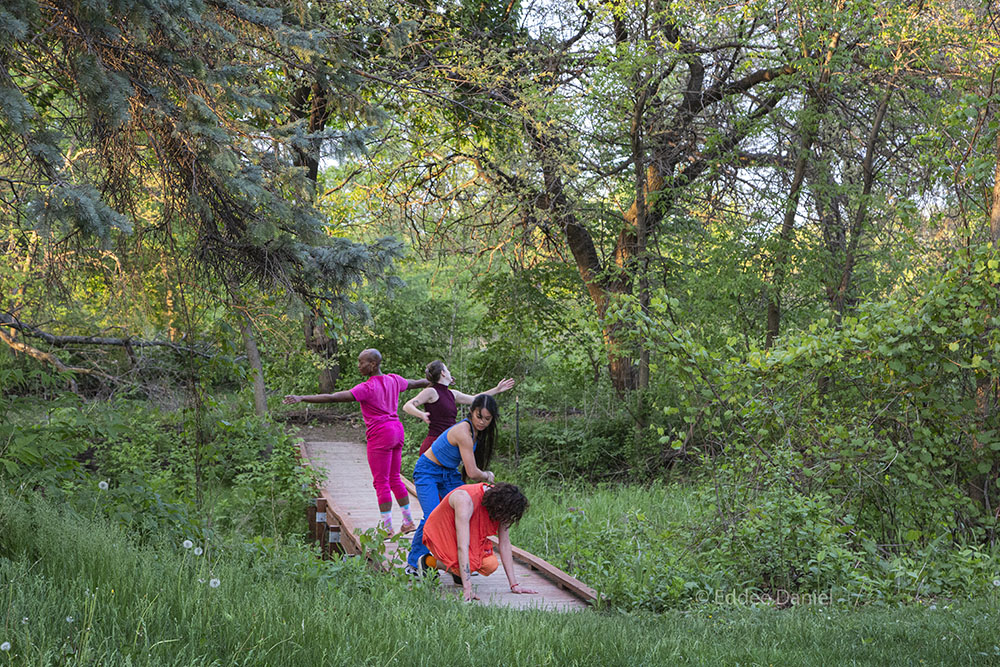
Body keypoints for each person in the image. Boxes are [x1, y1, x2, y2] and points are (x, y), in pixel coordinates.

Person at [283, 348, 430, 535]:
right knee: (394, 478)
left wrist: (302, 398)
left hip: (380, 434)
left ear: (373, 364)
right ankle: (408, 522)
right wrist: (435, 382)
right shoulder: (394, 380)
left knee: (381, 482)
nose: (359, 366)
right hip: (397, 431)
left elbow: (332, 398)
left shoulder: (367, 388)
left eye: (362, 362)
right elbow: (414, 383)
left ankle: (387, 529)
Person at [404, 393, 500, 574]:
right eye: (479, 416)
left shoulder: (478, 434)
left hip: (448, 473)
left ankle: (459, 562)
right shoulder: (463, 432)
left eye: (487, 419)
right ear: (471, 412)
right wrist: (487, 475)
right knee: (432, 516)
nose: (482, 422)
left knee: (468, 511)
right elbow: (472, 473)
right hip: (427, 471)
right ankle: (414, 564)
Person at [418, 482, 538, 602]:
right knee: (471, 562)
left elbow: (505, 543)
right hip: (442, 531)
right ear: (498, 507)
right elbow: (462, 546)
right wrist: (467, 588)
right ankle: (429, 562)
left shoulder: (503, 504)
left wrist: (514, 584)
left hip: (468, 531)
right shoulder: (465, 500)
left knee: (490, 565)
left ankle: (458, 572)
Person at [402, 360, 514, 456]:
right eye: (447, 370)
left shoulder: (452, 394)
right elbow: (407, 406)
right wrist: (421, 414)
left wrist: (497, 389)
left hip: (448, 442)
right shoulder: (431, 391)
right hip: (433, 444)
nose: (450, 372)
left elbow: (475, 399)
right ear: (443, 373)